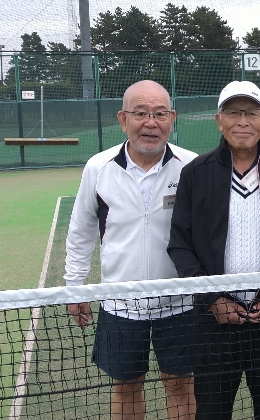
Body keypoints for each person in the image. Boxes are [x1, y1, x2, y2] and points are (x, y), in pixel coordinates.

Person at [167, 80, 260, 420]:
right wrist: (212, 298)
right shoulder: (196, 173)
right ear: (219, 120)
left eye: (252, 113)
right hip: (212, 321)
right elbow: (180, 244)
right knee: (212, 412)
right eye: (233, 113)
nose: (243, 122)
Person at [64, 80, 198, 420]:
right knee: (125, 386)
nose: (150, 123)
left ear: (172, 119)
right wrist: (74, 287)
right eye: (140, 113)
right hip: (120, 304)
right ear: (123, 120)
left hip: (181, 303)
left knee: (180, 383)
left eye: (160, 114)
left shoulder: (192, 167)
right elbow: (81, 230)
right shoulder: (98, 168)